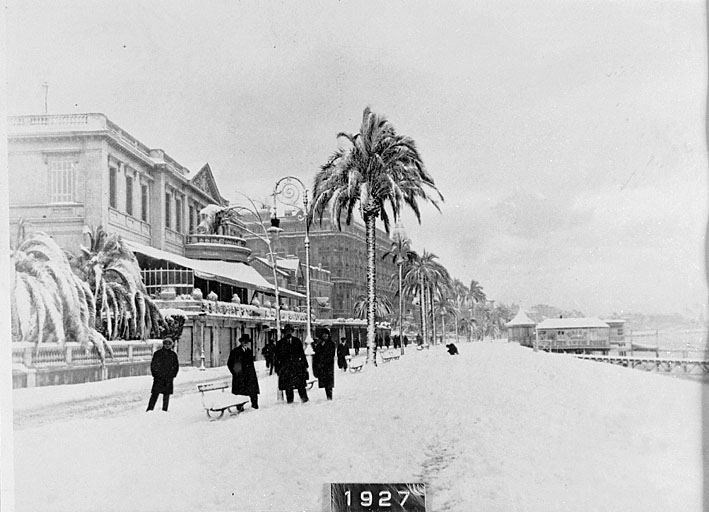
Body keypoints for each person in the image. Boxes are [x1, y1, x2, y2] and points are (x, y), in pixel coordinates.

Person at [274, 324, 309, 404]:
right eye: (287, 331)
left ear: (292, 332)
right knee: (288, 387)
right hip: (286, 369)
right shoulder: (280, 343)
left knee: (301, 386)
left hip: (297, 368)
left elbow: (302, 354)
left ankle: (305, 402)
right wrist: (278, 369)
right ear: (284, 332)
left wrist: (305, 366)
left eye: (290, 331)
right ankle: (290, 403)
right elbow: (277, 357)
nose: (288, 333)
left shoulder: (297, 341)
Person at [227, 333, 260, 409]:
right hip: (240, 377)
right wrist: (235, 373)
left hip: (250, 376)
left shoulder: (249, 351)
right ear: (241, 342)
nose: (245, 343)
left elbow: (251, 364)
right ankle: (239, 409)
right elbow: (230, 363)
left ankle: (255, 407)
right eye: (244, 341)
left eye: (247, 342)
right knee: (240, 393)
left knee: (253, 392)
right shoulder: (235, 352)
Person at [146, 338, 179, 412]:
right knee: (155, 394)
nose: (167, 346)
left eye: (169, 344)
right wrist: (155, 374)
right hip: (159, 378)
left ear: (171, 345)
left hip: (168, 378)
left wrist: (172, 375)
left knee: (166, 395)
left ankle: (164, 410)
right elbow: (153, 365)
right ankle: (150, 409)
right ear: (163, 344)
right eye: (165, 344)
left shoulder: (173, 355)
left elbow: (176, 366)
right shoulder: (158, 354)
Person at [312, 329, 336, 400]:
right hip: (321, 367)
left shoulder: (331, 344)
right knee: (324, 382)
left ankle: (329, 397)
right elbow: (316, 356)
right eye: (324, 334)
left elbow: (331, 355)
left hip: (328, 366)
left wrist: (323, 362)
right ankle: (328, 395)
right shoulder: (319, 345)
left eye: (326, 334)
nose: (325, 335)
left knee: (329, 383)